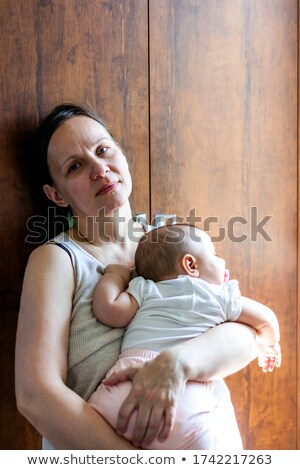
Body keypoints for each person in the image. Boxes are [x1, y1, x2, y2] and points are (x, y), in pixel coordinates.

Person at [15, 103, 258, 450]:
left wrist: (177, 364)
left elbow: (246, 334)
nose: (99, 168)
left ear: (121, 155)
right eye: (75, 166)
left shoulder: (171, 239)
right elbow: (36, 394)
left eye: (103, 150)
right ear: (56, 194)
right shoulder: (58, 260)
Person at [88, 224, 281, 449]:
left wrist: (114, 275)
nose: (223, 261)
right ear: (190, 264)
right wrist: (270, 344)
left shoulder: (145, 288)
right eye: (215, 254)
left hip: (121, 390)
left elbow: (108, 310)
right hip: (186, 397)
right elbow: (266, 319)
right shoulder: (220, 295)